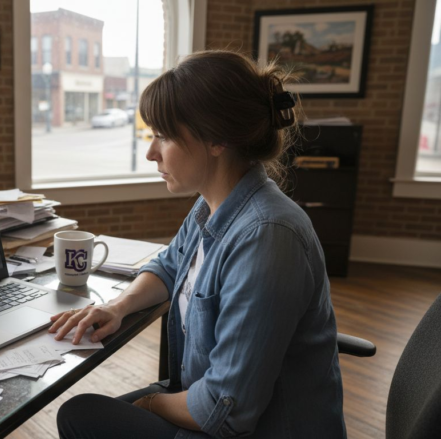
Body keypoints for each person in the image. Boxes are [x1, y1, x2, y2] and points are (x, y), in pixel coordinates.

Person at [50, 50, 345, 439]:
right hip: (209, 402)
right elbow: (169, 265)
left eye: (163, 136)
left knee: (79, 416)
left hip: (252, 428)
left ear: (217, 138)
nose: (150, 153)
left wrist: (151, 403)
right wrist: (117, 306)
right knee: (89, 416)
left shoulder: (267, 237)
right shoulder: (214, 204)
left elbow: (225, 409)